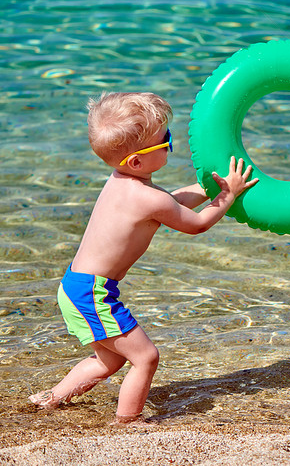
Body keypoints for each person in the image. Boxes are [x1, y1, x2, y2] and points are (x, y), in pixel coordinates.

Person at [29, 92, 258, 423]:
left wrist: (209, 188)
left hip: (77, 287)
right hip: (92, 293)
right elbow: (194, 224)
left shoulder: (124, 183)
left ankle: (49, 400)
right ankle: (128, 425)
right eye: (166, 140)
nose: (170, 144)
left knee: (110, 361)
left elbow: (169, 203)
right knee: (146, 358)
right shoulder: (148, 198)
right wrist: (227, 195)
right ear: (136, 161)